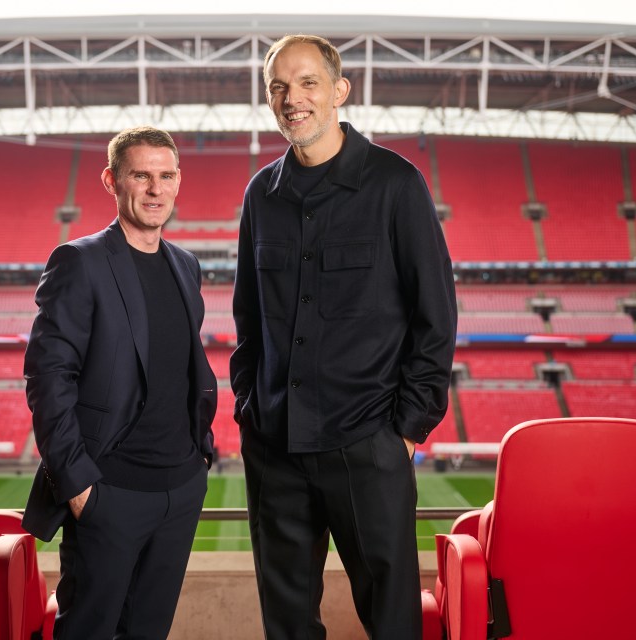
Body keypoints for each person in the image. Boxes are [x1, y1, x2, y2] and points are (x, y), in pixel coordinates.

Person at [230, 35, 457, 639]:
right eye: (278, 86)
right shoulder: (261, 194)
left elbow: (435, 315)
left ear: (338, 91)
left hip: (367, 445)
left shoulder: (395, 184)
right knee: (287, 625)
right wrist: (250, 409)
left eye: (306, 83)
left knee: (391, 620)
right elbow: (247, 318)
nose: (291, 98)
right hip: (275, 446)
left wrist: (406, 430)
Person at [22, 126, 217, 640]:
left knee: (149, 631)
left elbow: (182, 366)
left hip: (180, 488)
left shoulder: (185, 264)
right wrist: (80, 486)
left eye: (166, 175)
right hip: (110, 492)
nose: (155, 189)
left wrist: (200, 456)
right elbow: (48, 377)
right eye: (141, 176)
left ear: (178, 181)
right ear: (112, 180)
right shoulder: (79, 261)